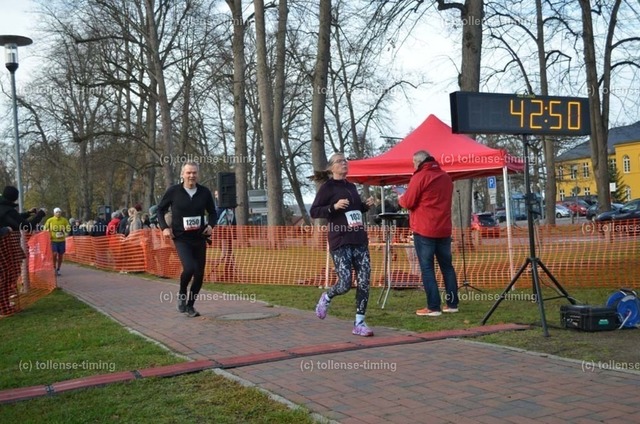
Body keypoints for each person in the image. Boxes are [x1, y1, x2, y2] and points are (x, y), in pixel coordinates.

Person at [310, 153, 376, 337]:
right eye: (339, 161)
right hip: (340, 240)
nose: (344, 163)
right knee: (345, 283)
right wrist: (333, 207)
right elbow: (314, 211)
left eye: (345, 160)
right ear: (331, 167)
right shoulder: (328, 187)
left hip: (359, 239)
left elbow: (355, 210)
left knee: (364, 281)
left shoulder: (351, 186)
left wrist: (365, 206)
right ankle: (327, 296)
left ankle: (359, 322)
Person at [398, 150, 459, 316]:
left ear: (419, 162)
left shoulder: (420, 177)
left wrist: (400, 198)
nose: (413, 166)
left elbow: (408, 202)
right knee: (447, 267)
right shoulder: (445, 177)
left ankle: (433, 307)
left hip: (424, 228)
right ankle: (452, 304)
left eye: (413, 163)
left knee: (427, 268)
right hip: (444, 228)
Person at [157, 162, 217, 317]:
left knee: (199, 274)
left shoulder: (204, 192)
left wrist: (211, 226)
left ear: (198, 174)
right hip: (181, 238)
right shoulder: (174, 191)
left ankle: (190, 306)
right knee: (189, 268)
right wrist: (164, 227)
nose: (191, 176)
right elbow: (160, 209)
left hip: (199, 238)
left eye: (194, 173)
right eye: (188, 173)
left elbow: (212, 212)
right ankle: (182, 293)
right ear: (182, 174)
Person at [44, 207, 71, 276]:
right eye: (57, 212)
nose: (58, 213)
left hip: (62, 240)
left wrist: (66, 231)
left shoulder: (64, 220)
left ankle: (58, 269)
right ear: (54, 213)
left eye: (59, 212)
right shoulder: (50, 220)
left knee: (61, 255)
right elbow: (45, 228)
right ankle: (54, 267)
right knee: (54, 253)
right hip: (53, 240)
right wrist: (47, 231)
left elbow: (68, 228)